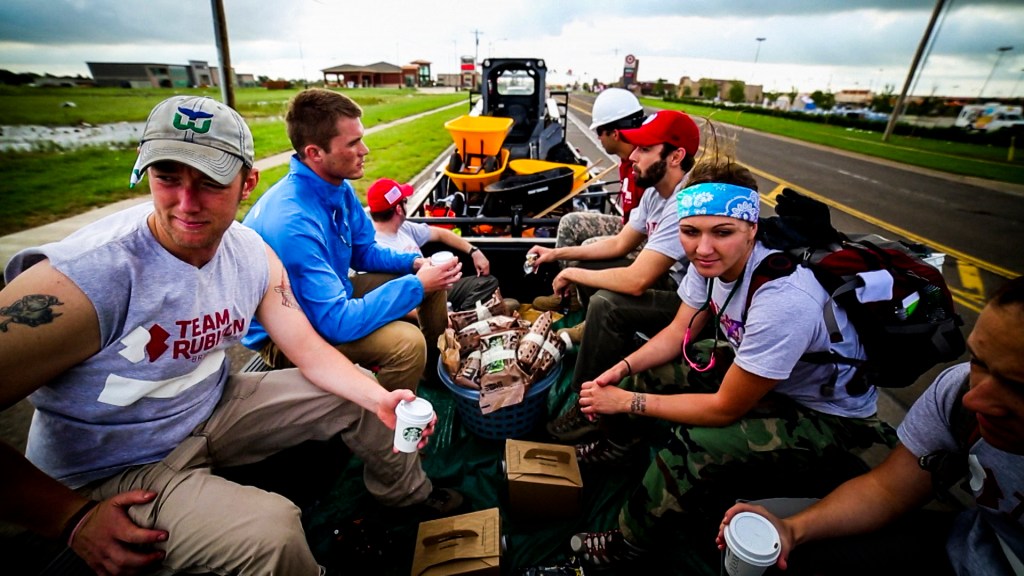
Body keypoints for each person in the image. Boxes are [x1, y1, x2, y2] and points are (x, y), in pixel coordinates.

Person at [0, 95, 459, 575]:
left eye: (210, 181)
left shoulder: (251, 255)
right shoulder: (83, 280)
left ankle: (407, 500)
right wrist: (69, 518)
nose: (186, 203)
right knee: (272, 534)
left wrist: (377, 399)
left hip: (211, 406)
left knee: (363, 397)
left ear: (247, 183)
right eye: (168, 178)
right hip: (113, 468)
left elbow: (308, 348)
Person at [566, 160, 896, 569]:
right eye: (690, 232)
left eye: (723, 232)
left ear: (752, 228)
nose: (703, 248)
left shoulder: (784, 298)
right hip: (770, 377)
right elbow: (677, 333)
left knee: (694, 444)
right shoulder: (712, 266)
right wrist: (623, 371)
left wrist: (627, 402)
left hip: (830, 416)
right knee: (643, 374)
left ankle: (628, 542)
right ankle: (618, 447)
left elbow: (725, 409)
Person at [717, 276, 1024, 576]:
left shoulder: (790, 297)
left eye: (1017, 387)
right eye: (978, 361)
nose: (976, 399)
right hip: (962, 546)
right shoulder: (957, 393)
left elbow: (724, 407)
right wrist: (792, 531)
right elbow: (887, 490)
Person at [241, 88, 460, 389]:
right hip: (286, 335)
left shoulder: (337, 186)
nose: (365, 150)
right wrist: (417, 285)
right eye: (354, 143)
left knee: (428, 275)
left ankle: (436, 373)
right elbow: (337, 322)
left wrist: (415, 263)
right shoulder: (293, 222)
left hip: (328, 297)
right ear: (315, 153)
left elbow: (363, 250)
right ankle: (376, 428)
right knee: (407, 344)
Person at [538, 110, 698, 444]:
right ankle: (594, 337)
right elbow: (620, 243)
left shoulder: (684, 202)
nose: (634, 156)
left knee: (607, 303)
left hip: (691, 305)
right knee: (591, 279)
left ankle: (586, 408)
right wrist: (559, 256)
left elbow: (636, 281)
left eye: (644, 149)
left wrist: (572, 270)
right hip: (669, 282)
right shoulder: (656, 193)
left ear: (676, 156)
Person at [531, 87, 646, 313]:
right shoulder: (625, 160)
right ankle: (568, 295)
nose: (597, 137)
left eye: (600, 131)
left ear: (614, 133)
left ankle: (586, 307)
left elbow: (637, 234)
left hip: (649, 241)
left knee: (589, 247)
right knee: (570, 222)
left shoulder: (645, 165)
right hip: (631, 227)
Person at [367, 177, 516, 313]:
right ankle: (463, 319)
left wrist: (474, 252)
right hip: (417, 304)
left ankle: (467, 315)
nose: (407, 202)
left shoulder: (404, 227)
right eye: (405, 200)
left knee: (488, 282)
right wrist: (442, 315)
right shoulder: (378, 249)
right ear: (399, 209)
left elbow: (440, 234)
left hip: (438, 290)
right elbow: (393, 303)